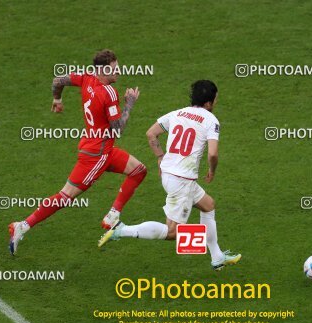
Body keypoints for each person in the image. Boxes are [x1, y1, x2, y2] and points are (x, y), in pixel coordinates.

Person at [9, 49, 146, 255]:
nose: (119, 72)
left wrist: (57, 100)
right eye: (114, 69)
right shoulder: (108, 93)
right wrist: (130, 103)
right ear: (103, 70)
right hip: (98, 156)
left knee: (139, 170)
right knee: (66, 196)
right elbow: (118, 129)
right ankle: (23, 225)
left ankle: (112, 215)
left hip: (99, 148)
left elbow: (58, 81)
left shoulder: (86, 77)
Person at [98, 80, 241, 271]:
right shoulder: (210, 120)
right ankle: (121, 230)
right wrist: (212, 170)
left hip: (169, 174)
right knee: (172, 232)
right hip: (183, 181)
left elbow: (151, 134)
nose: (215, 103)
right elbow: (213, 154)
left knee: (208, 205)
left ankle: (217, 257)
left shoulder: (178, 113)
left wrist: (159, 157)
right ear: (208, 102)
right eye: (215, 100)